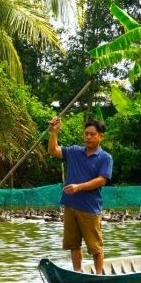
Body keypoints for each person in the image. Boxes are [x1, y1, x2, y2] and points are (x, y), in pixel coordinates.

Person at [47, 116, 113, 274]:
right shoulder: (75, 151)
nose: (88, 137)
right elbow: (53, 150)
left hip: (89, 208)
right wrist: (54, 132)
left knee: (95, 247)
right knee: (73, 245)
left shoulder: (105, 157)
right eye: (86, 134)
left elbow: (101, 180)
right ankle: (77, 272)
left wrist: (79, 187)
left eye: (92, 134)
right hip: (71, 206)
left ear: (100, 136)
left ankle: (98, 275)